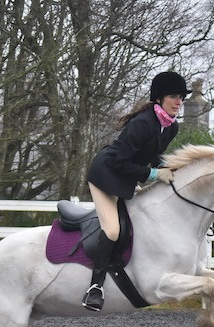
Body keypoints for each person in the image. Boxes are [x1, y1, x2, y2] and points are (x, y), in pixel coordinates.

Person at [81, 71, 192, 311]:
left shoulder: (170, 127)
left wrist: (165, 167)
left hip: (125, 179)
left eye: (181, 97)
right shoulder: (142, 123)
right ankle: (95, 288)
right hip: (105, 176)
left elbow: (151, 154)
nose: (178, 102)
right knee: (112, 230)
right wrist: (153, 174)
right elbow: (120, 161)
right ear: (160, 98)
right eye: (174, 96)